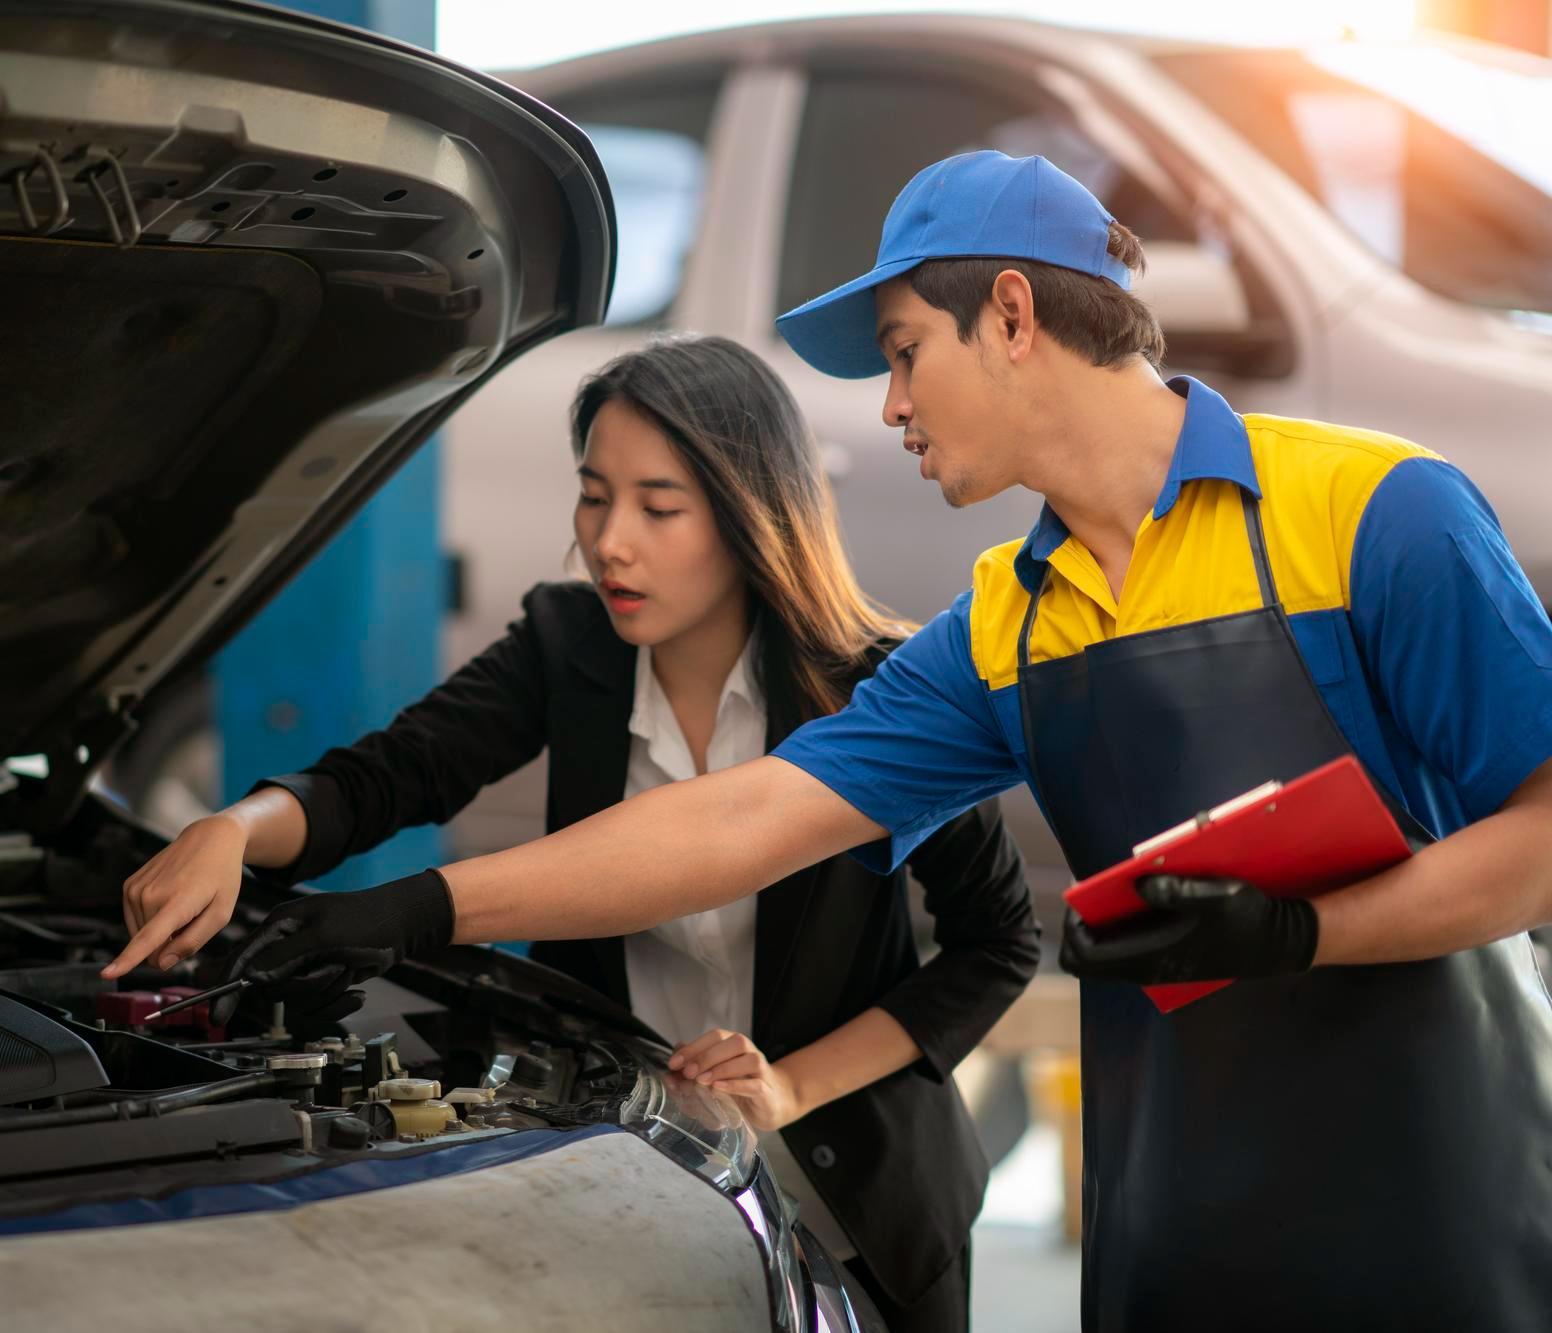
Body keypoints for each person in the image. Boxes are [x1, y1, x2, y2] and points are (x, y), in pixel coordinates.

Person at [194, 152, 1552, 1332]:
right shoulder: (1001, 631)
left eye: (905, 351)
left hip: (1441, 1199)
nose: (890, 407)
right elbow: (732, 820)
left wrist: (1300, 933)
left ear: (1010, 313)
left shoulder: (1380, 514)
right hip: (1176, 1225)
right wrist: (406, 910)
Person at [105, 334, 1038, 1329]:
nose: (610, 541)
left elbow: (997, 940)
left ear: (748, 515)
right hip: (619, 1190)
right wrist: (235, 829)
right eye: (593, 496)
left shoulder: (873, 690)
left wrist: (791, 1084)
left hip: (857, 1205)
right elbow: (393, 773)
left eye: (657, 506)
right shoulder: (565, 644)